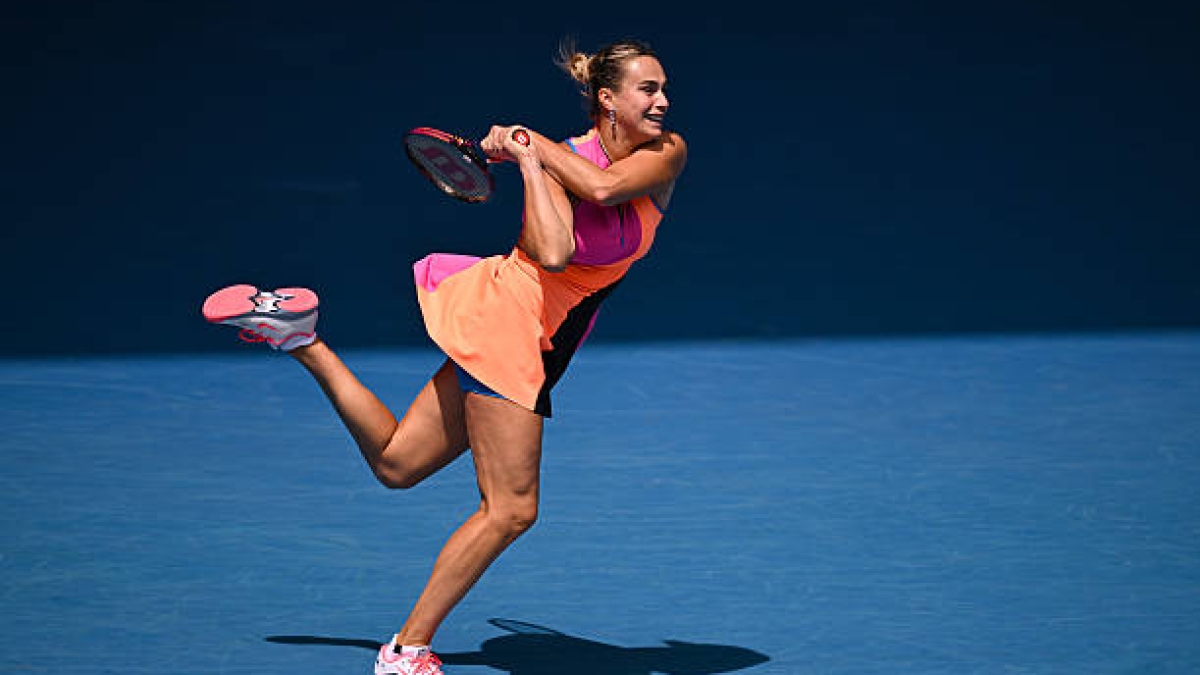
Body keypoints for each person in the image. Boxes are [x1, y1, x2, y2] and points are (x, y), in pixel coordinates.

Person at [201, 37, 686, 675]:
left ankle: (300, 336)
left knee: (397, 464)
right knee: (511, 509)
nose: (661, 101)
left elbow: (602, 188)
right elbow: (553, 253)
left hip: (537, 339)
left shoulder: (665, 153)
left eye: (662, 88)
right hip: (511, 326)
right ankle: (406, 650)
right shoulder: (561, 159)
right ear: (607, 99)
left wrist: (526, 145)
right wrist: (536, 161)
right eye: (646, 89)